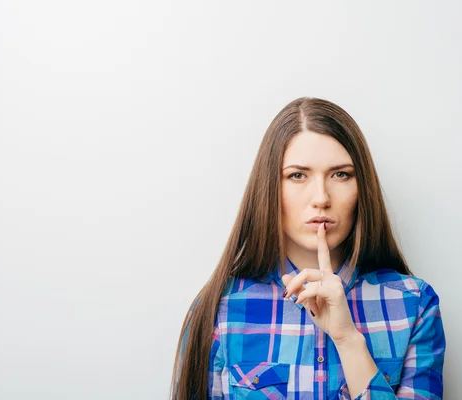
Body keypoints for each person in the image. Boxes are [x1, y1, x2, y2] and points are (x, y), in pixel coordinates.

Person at [170, 97, 446, 399]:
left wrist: (348, 340)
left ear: (361, 187)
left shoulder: (414, 305)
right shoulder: (220, 310)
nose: (321, 197)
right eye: (297, 175)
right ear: (270, 188)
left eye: (341, 174)